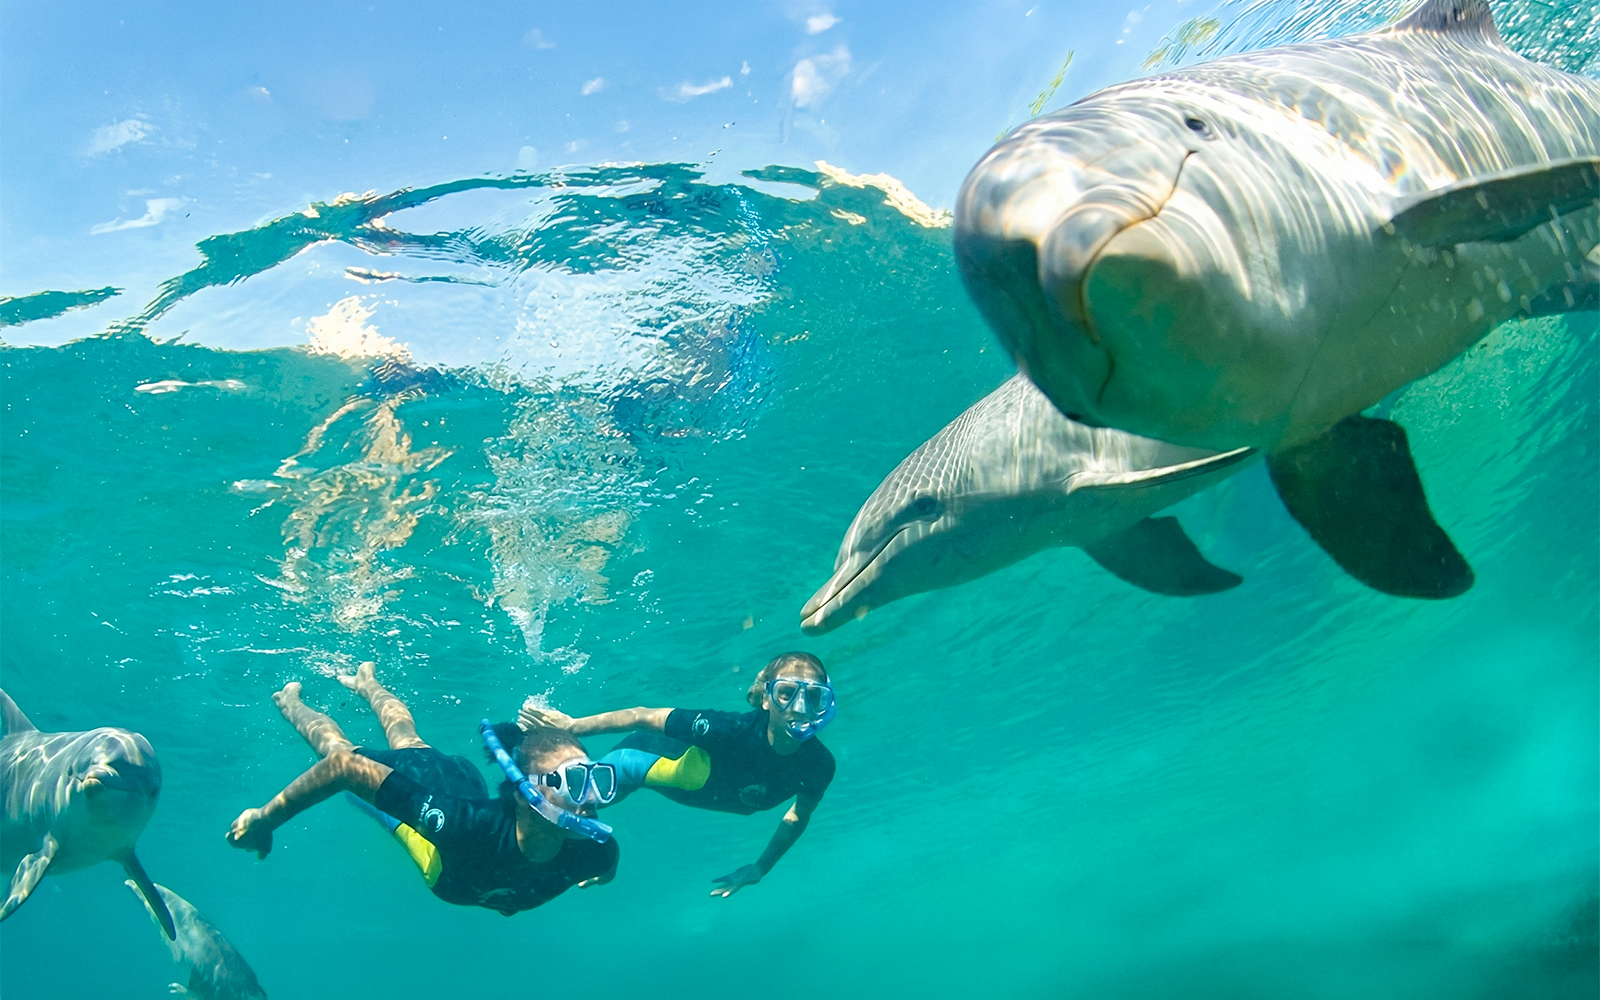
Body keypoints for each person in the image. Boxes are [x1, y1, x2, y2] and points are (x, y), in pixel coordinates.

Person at [225, 662, 618, 916]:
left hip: (465, 796)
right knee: (349, 749)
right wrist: (263, 820)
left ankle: (367, 683)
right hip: (446, 822)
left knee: (409, 740)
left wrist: (602, 874)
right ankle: (291, 703)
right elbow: (342, 769)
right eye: (572, 783)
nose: (588, 799)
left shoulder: (597, 853)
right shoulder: (463, 826)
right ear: (522, 791)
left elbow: (605, 864)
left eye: (594, 780)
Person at [521, 651, 835, 898]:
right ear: (766, 698)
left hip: (696, 787)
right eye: (787, 693)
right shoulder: (730, 730)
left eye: (814, 697)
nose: (800, 707)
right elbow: (643, 717)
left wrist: (759, 868)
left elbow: (798, 816)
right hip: (643, 759)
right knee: (565, 804)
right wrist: (573, 726)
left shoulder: (818, 765)